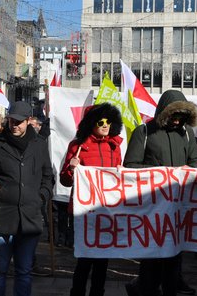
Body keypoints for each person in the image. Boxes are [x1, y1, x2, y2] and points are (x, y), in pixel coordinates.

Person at [123, 89, 197, 296]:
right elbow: (130, 165)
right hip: (152, 205)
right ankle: (143, 288)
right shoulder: (145, 132)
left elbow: (195, 162)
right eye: (174, 115)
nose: (177, 121)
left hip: (178, 205)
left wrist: (189, 170)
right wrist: (160, 173)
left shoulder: (187, 133)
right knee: (152, 257)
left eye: (182, 116)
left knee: (174, 257)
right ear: (164, 112)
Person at [0, 101, 54, 296]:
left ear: (29, 121)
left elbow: (48, 176)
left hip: (30, 218)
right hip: (2, 217)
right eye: (11, 121)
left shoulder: (39, 145)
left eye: (19, 122)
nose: (14, 125)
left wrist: (41, 196)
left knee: (24, 271)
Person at [60, 103, 123, 296]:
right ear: (91, 123)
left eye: (109, 122)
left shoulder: (115, 146)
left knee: (103, 261)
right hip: (84, 212)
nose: (105, 125)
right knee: (84, 260)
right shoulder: (78, 146)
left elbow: (119, 177)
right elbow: (65, 180)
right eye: (101, 121)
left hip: (106, 211)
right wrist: (71, 169)